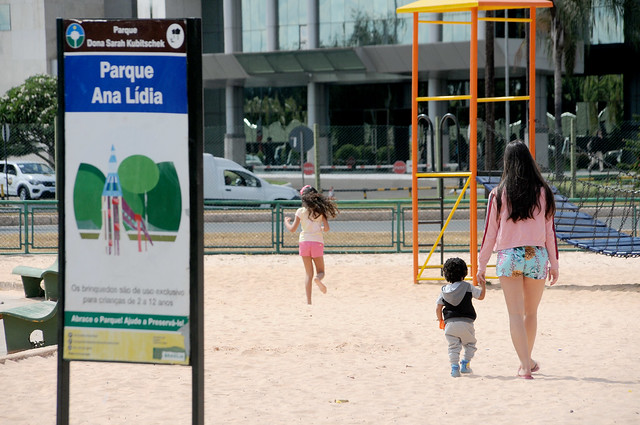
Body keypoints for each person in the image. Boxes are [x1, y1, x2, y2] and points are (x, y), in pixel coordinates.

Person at [477, 139, 559, 380]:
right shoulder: (544, 192)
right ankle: (528, 360)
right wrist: (554, 263)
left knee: (514, 313)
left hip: (509, 256)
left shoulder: (498, 194)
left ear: (507, 163)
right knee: (530, 313)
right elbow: (549, 231)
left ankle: (525, 365)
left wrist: (481, 265)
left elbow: (489, 234)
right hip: (536, 254)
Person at [284, 185, 338, 305]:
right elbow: (327, 228)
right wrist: (321, 228)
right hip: (317, 242)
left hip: (304, 242)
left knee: (308, 273)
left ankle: (309, 302)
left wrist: (286, 222)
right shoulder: (320, 211)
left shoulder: (300, 211)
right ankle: (318, 279)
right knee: (321, 271)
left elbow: (292, 229)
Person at [436, 257, 486, 378]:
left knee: (453, 346)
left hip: (449, 324)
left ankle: (454, 368)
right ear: (464, 273)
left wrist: (441, 320)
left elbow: (438, 308)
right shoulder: (468, 287)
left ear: (446, 274)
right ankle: (465, 363)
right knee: (470, 344)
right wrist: (483, 286)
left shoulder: (444, 291)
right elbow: (480, 297)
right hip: (466, 322)